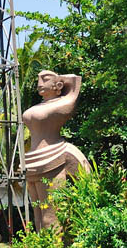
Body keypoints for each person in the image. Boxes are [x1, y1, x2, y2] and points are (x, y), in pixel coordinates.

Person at [21, 70, 91, 228]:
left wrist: (65, 81)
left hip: (52, 157)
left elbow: (74, 86)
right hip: (33, 159)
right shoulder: (41, 105)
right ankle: (39, 247)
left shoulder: (63, 103)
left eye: (45, 79)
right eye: (38, 79)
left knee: (50, 214)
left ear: (58, 85)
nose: (39, 83)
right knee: (37, 213)